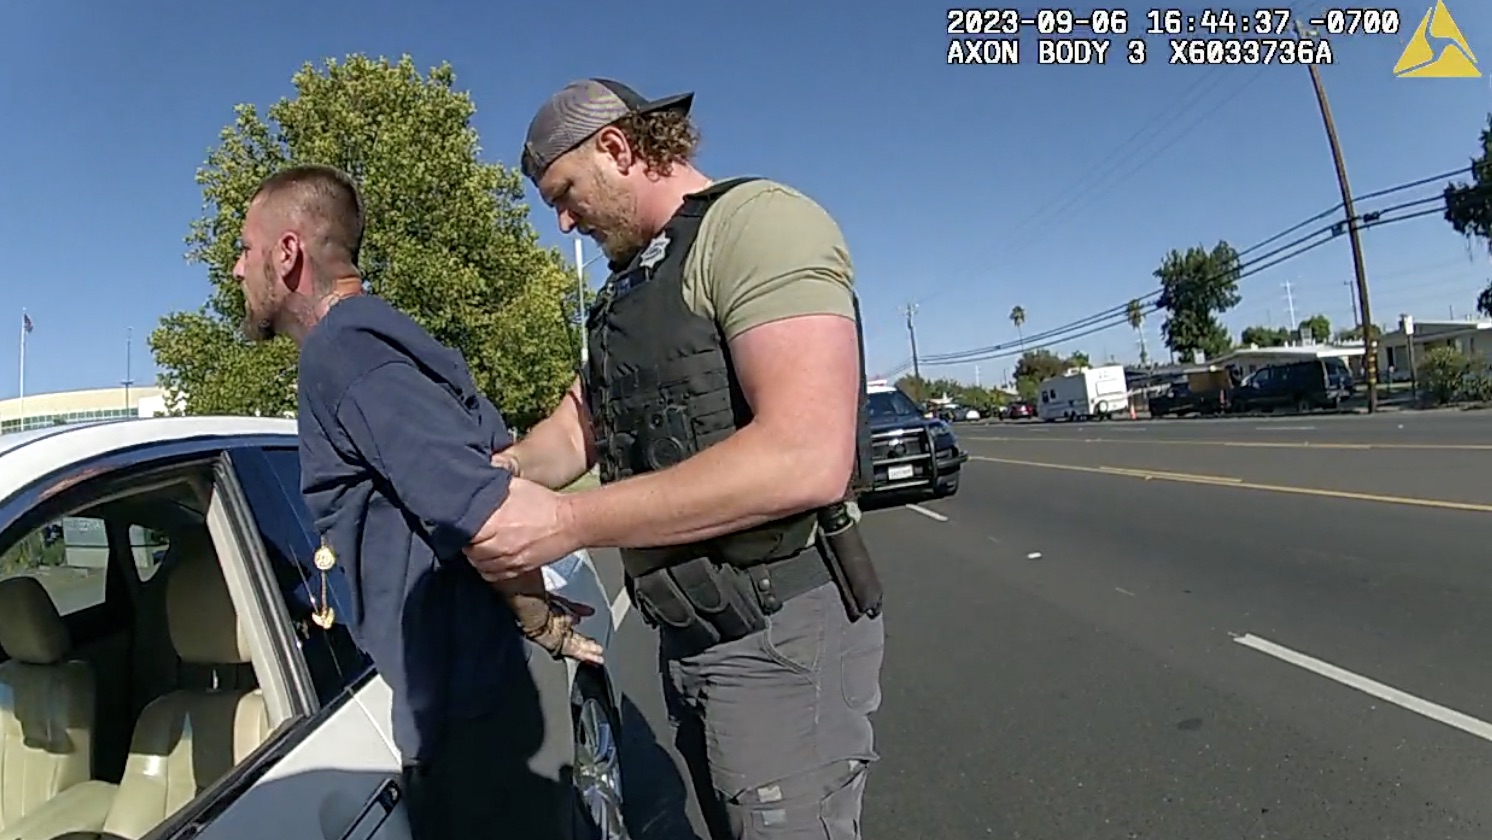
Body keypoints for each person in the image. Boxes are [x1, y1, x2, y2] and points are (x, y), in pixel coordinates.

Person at [464, 78, 887, 840]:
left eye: (565, 195)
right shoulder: (630, 292)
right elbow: (579, 426)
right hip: (690, 636)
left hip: (777, 633)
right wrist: (498, 476)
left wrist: (565, 523)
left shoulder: (759, 226)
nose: (564, 222)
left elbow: (805, 455)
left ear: (616, 148)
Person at [232, 163, 594, 839]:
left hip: (471, 728)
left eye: (246, 249)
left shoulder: (344, 351)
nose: (236, 268)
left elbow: (477, 509)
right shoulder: (383, 341)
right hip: (485, 708)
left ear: (287, 253)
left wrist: (541, 620)